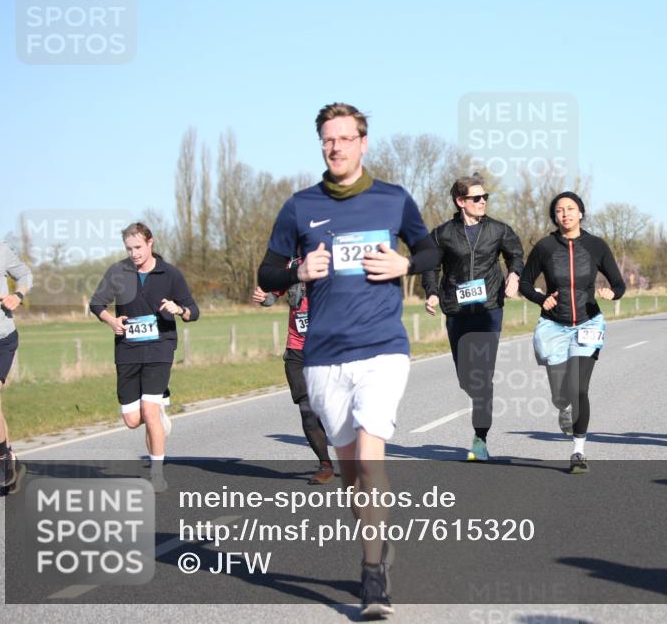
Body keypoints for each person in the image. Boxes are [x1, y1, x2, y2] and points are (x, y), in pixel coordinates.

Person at [257, 102, 439, 618]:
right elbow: (267, 272)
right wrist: (298, 268)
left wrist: (406, 262)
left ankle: (372, 574)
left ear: (362, 143)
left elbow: (429, 252)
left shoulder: (393, 199)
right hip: (322, 357)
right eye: (327, 140)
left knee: (370, 456)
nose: (335, 147)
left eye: (344, 138)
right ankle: (377, 544)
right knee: (350, 471)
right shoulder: (299, 206)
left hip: (382, 348)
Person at [519, 192, 625, 474]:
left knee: (579, 388)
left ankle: (578, 451)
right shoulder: (544, 247)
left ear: (581, 213)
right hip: (553, 326)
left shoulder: (596, 246)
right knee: (560, 395)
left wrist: (612, 292)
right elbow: (525, 284)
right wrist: (542, 299)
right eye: (559, 210)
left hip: (589, 323)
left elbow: (619, 283)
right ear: (555, 217)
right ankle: (562, 406)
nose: (565, 214)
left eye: (571, 209)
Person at [422, 174, 524, 462]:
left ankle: (480, 437)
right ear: (460, 202)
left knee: (482, 375)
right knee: (467, 378)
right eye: (476, 198)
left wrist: (514, 276)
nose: (482, 202)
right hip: (456, 310)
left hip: (489, 308)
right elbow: (431, 267)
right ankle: (478, 399)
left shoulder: (498, 230)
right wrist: (431, 293)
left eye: (485, 197)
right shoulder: (442, 234)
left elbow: (516, 255)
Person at [90, 223, 199, 491]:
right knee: (132, 420)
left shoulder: (169, 273)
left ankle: (157, 473)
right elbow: (96, 303)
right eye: (129, 249)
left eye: (138, 247)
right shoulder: (118, 271)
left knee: (148, 411)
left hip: (160, 348)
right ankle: (159, 412)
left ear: (151, 242)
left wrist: (179, 309)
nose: (134, 253)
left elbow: (193, 312)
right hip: (127, 350)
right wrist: (111, 320)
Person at [252, 282, 334, 484]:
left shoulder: (333, 261)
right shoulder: (290, 267)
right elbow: (273, 294)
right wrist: (265, 298)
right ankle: (325, 465)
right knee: (307, 411)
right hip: (297, 351)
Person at [0, 204, 32, 494]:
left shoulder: (0, 251)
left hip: (0, 340)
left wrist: (17, 295)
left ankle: (3, 456)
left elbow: (26, 276)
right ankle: (10, 458)